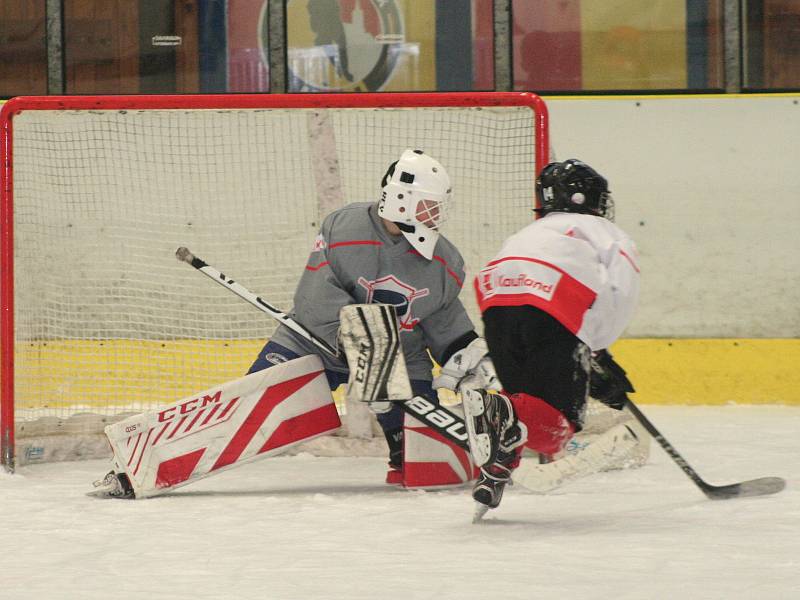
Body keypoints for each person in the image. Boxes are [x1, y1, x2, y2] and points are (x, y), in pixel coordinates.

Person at [248, 148, 492, 484]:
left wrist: (468, 355)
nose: (436, 214)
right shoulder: (344, 226)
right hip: (314, 343)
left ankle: (401, 448)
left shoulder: (444, 261)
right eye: (429, 204)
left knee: (429, 460)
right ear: (401, 199)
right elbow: (314, 301)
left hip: (401, 361)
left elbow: (445, 322)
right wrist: (368, 348)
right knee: (250, 412)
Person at [463, 158, 641, 513]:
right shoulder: (603, 231)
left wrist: (589, 356)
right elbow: (620, 290)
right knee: (558, 426)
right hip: (551, 305)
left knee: (525, 404)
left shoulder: (528, 233)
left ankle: (498, 467)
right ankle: (502, 408)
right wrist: (595, 350)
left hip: (496, 303)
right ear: (584, 197)